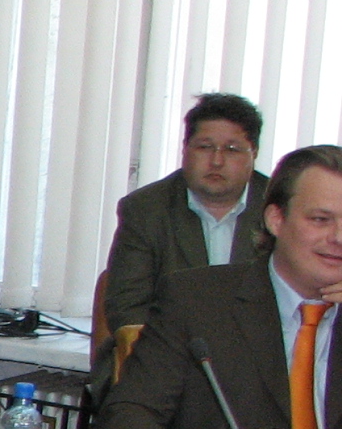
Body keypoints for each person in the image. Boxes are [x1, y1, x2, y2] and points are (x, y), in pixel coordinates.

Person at [95, 144, 342, 429]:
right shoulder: (197, 301)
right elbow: (135, 414)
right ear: (276, 219)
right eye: (320, 220)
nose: (339, 237)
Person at [92, 93, 270, 392]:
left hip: (254, 367)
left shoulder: (280, 210)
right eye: (205, 147)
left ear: (254, 153)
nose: (217, 160)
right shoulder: (145, 209)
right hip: (161, 359)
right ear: (185, 149)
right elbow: (128, 306)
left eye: (232, 149)